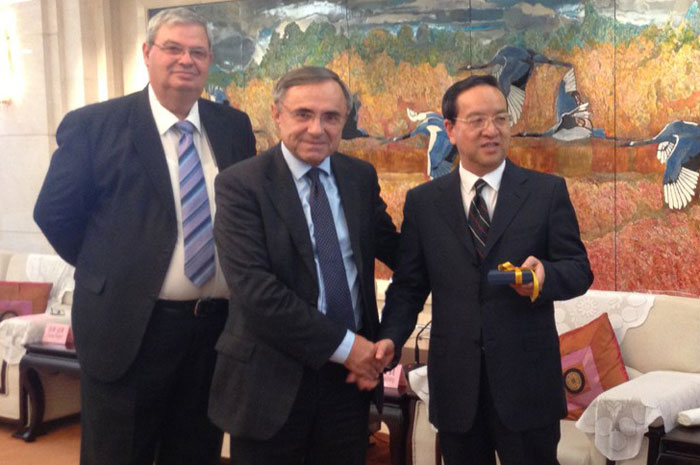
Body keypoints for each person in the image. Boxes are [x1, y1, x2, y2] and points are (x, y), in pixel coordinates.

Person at [33, 8, 255, 465]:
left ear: (210, 61)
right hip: (130, 329)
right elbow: (54, 214)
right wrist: (109, 270)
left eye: (198, 52)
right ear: (147, 53)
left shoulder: (232, 127)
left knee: (195, 452)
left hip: (213, 332)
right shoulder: (95, 125)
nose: (186, 60)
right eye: (173, 48)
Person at [379, 74, 594, 465]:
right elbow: (409, 285)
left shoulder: (545, 192)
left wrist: (545, 277)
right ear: (450, 129)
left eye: (500, 118)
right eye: (477, 120)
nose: (491, 130)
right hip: (456, 388)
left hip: (527, 388)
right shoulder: (424, 203)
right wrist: (390, 340)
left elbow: (579, 270)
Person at [208, 66, 399, 465]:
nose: (317, 129)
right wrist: (349, 348)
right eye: (303, 114)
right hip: (269, 384)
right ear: (277, 115)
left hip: (348, 387)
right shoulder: (241, 184)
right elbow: (257, 292)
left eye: (331, 117)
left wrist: (387, 340)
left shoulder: (359, 178)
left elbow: (401, 254)